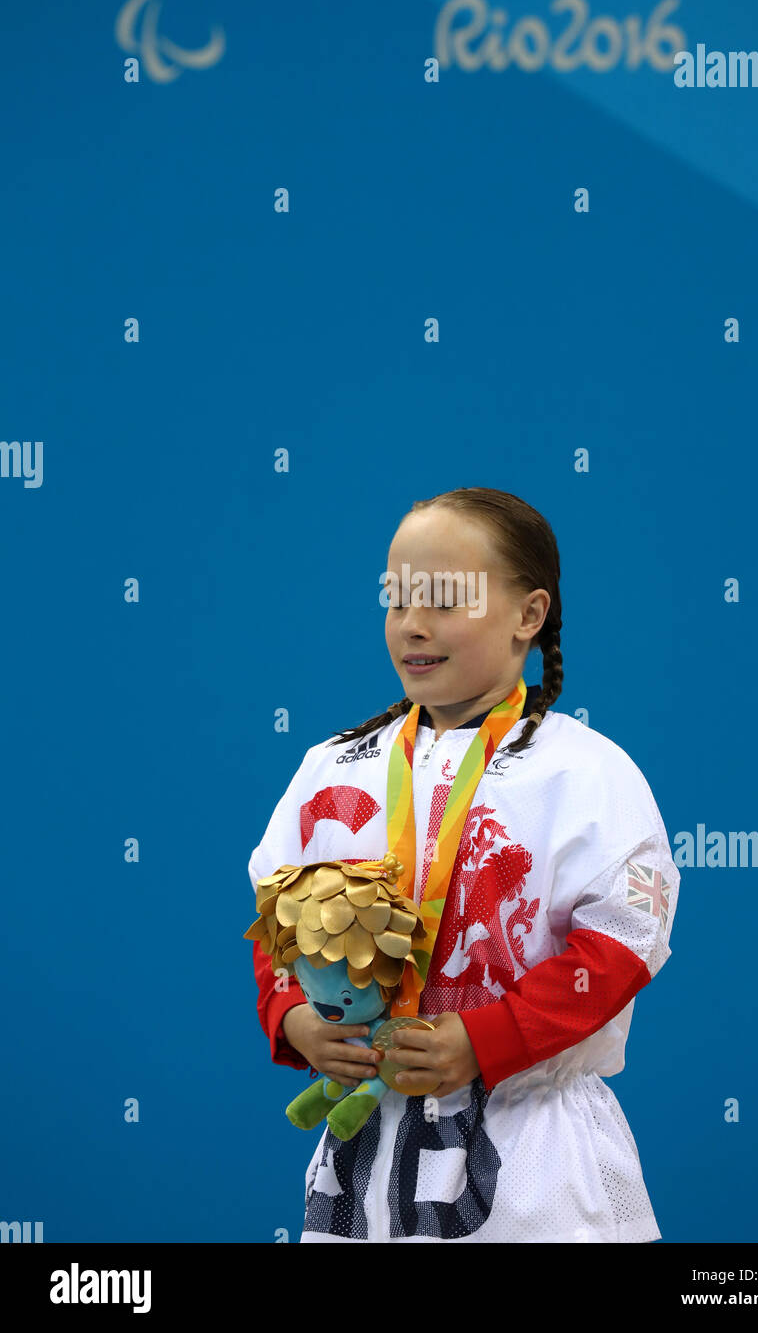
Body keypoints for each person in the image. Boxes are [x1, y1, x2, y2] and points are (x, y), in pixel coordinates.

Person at [247, 486, 680, 1243]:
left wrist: (489, 1038)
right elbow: (276, 922)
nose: (412, 625)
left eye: (445, 600)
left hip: (533, 1163)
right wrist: (294, 1017)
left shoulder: (587, 774)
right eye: (398, 599)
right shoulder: (332, 767)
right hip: (361, 1164)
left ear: (529, 615)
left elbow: (621, 943)